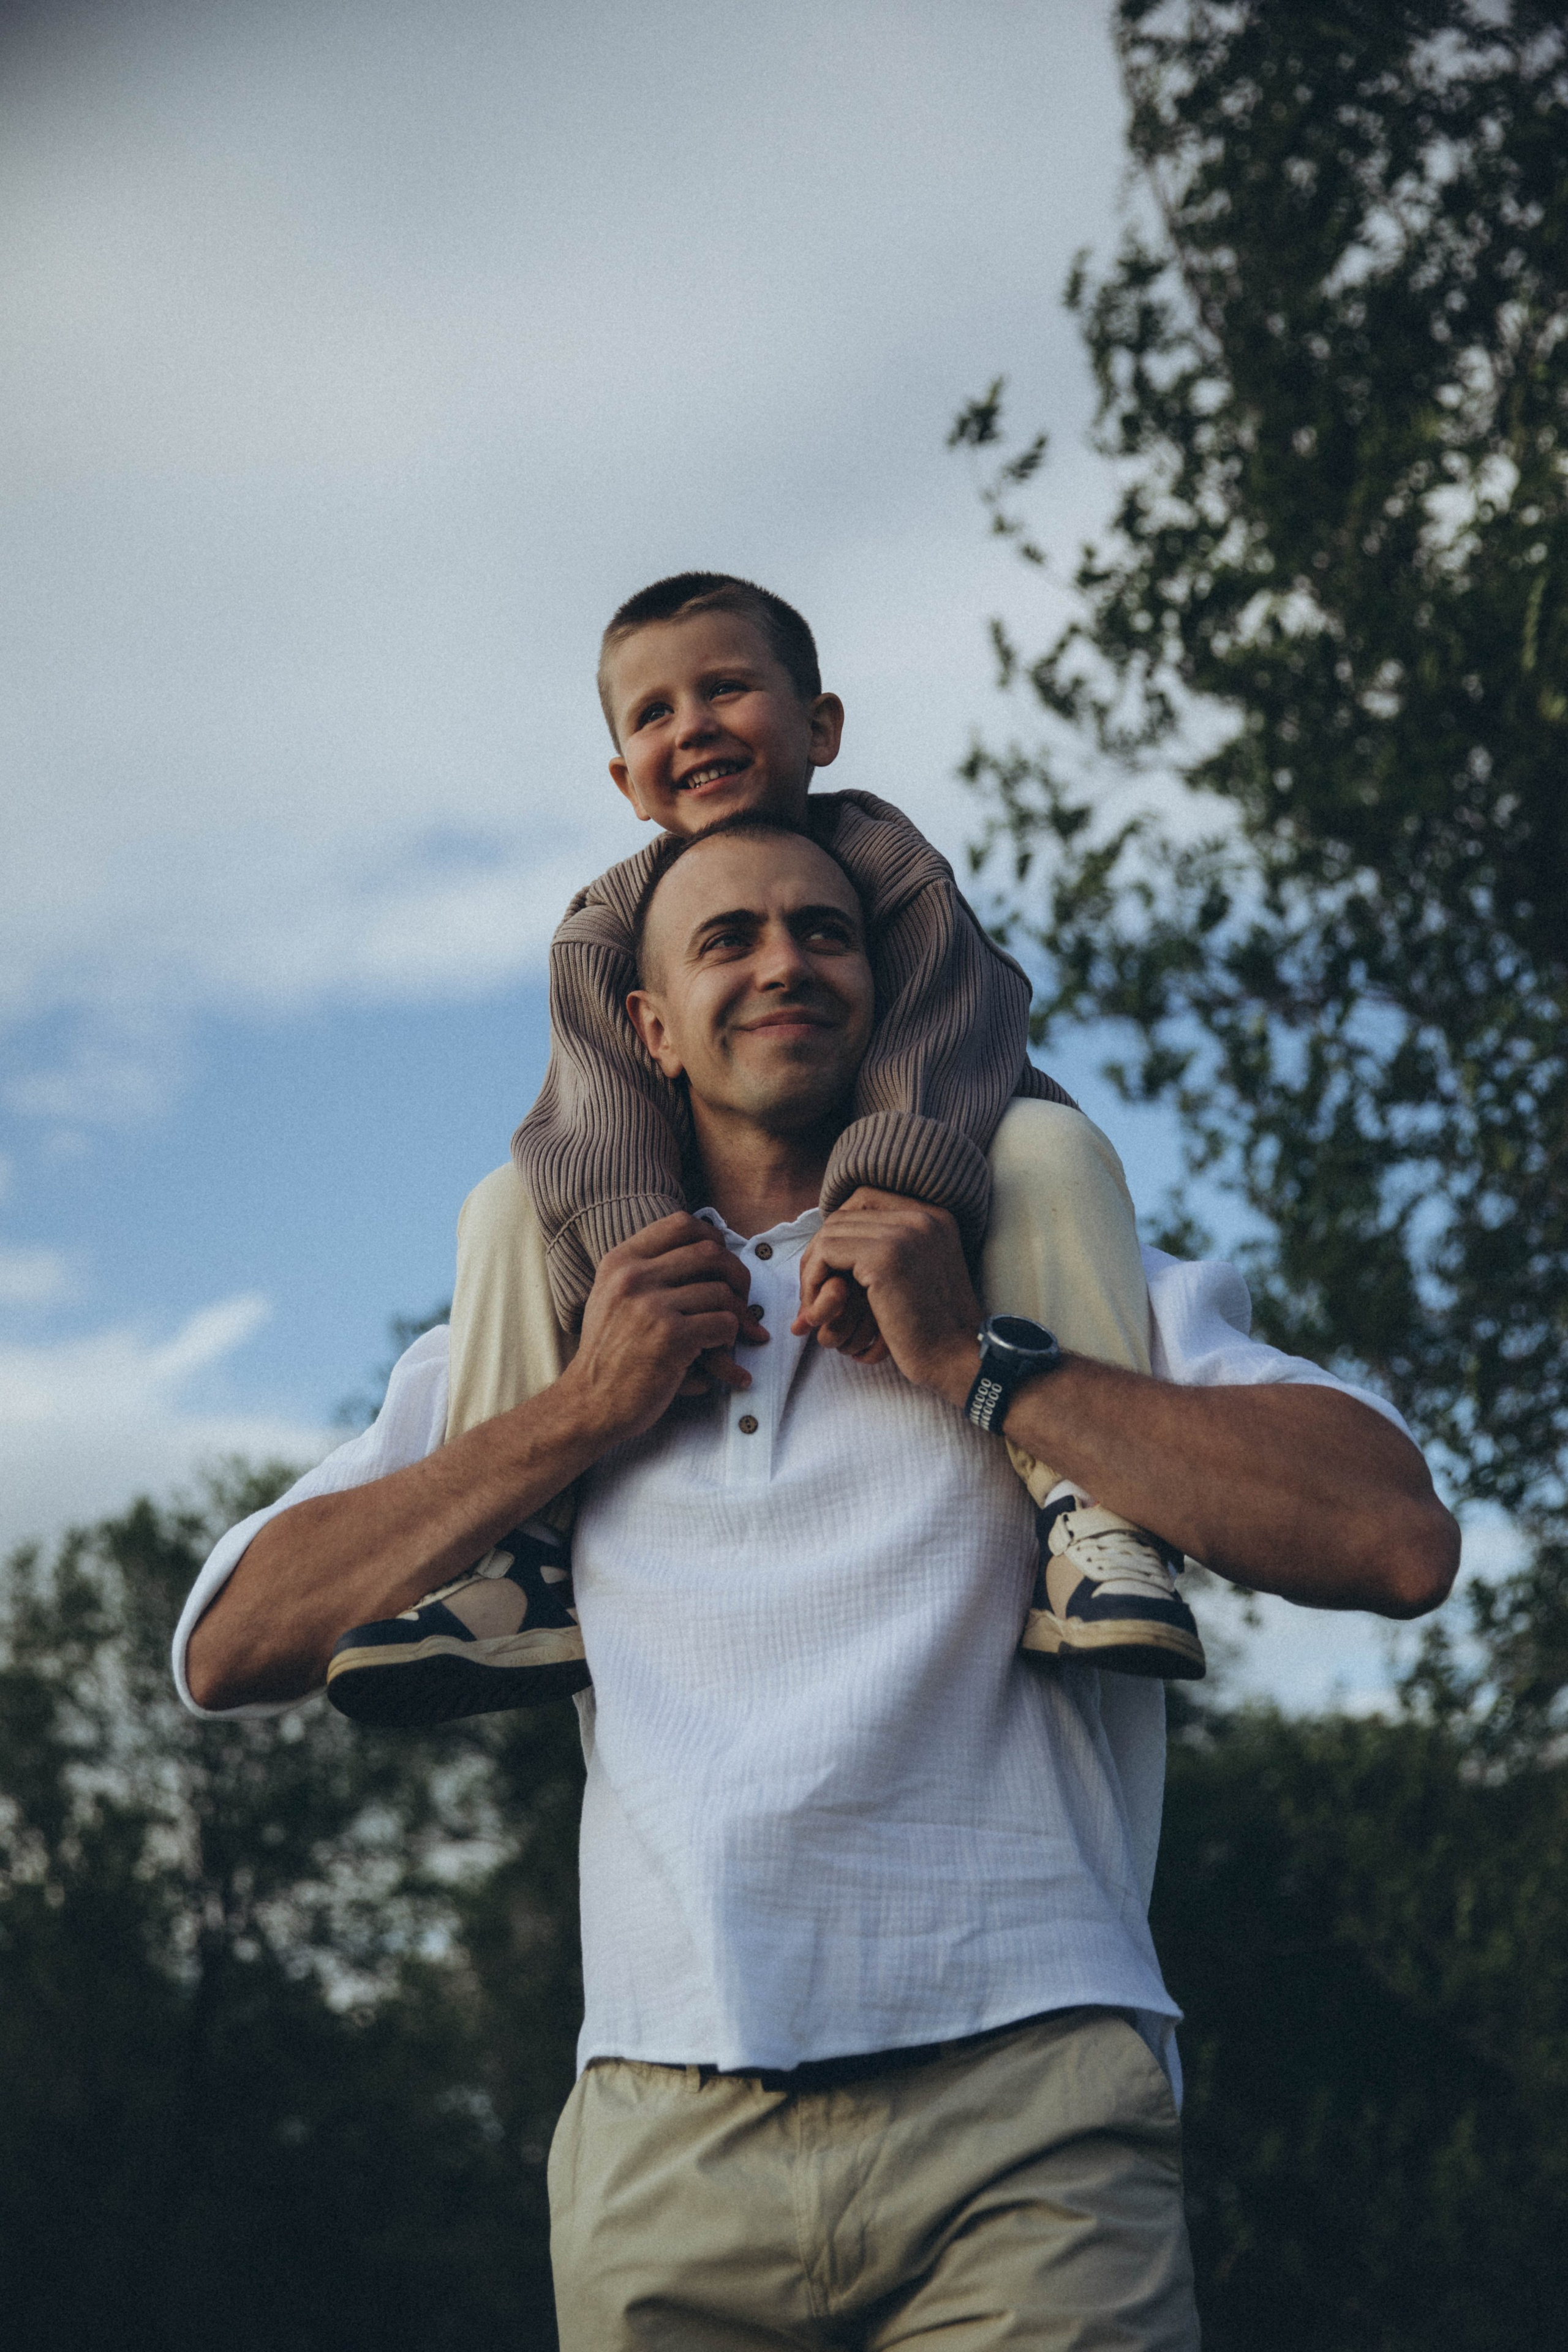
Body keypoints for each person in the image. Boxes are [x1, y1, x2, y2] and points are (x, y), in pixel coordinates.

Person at [176, 816, 1458, 2351]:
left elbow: (1395, 1539)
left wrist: (981, 1366)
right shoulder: (563, 1329)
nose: (784, 960)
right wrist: (581, 1411)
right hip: (661, 2133)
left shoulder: (1051, 1269)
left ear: (884, 985)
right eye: (727, 938)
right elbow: (231, 1642)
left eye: (824, 931)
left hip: (1027, 2104)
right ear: (644, 1028)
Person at [325, 569, 1210, 1732]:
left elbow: (947, 1039)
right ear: (624, 781)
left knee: (1051, 1144)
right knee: (505, 1202)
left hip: (940, 1180)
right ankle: (509, 1561)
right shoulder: (604, 932)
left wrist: (894, 1204)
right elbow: (594, 1114)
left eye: (727, 689)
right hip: (709, 1215)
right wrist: (644, 1274)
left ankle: (1094, 1519)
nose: (690, 726)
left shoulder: (897, 875)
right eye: (652, 714)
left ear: (820, 727)